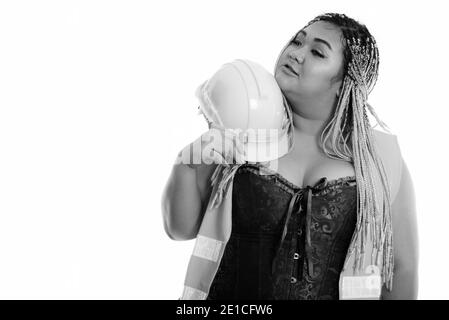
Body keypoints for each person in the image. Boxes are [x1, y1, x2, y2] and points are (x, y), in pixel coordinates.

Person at [161, 13, 419, 300]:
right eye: (297, 41)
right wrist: (185, 164)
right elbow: (179, 229)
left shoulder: (379, 161)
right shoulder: (242, 128)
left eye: (317, 52)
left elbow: (401, 267)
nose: (296, 53)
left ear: (345, 83)